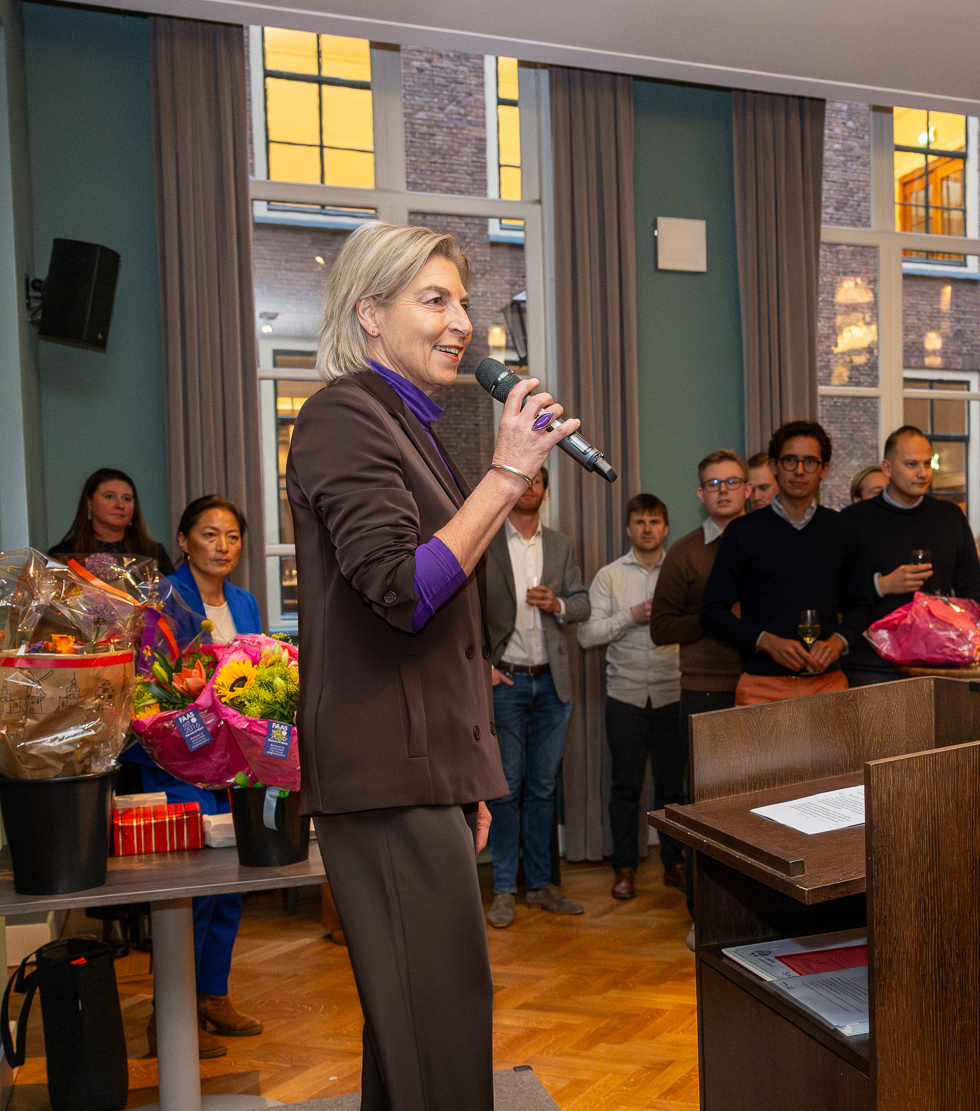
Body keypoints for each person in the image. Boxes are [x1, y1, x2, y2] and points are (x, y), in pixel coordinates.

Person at [286, 221, 576, 1108]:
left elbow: (452, 628)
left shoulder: (410, 425)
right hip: (383, 773)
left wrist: (464, 776)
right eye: (436, 299)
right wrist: (507, 471)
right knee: (441, 1025)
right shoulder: (344, 414)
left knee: (413, 1028)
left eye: (464, 302)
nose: (462, 322)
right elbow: (402, 591)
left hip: (422, 771)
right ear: (370, 313)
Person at [136, 496, 262, 1058]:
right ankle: (170, 1014)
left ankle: (212, 996)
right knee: (187, 889)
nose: (223, 545)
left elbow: (258, 671)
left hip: (234, 758)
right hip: (177, 758)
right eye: (210, 534)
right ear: (184, 540)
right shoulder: (160, 599)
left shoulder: (246, 602)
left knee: (228, 882)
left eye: (232, 536)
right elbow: (146, 682)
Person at [481, 465, 590, 929]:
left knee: (544, 790)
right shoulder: (487, 543)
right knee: (505, 791)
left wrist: (558, 604)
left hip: (552, 684)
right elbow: (466, 611)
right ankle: (504, 889)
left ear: (545, 491)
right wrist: (480, 665)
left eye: (537, 482)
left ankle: (542, 886)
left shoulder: (562, 545)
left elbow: (583, 604)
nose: (529, 488)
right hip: (504, 681)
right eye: (522, 480)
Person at [701, 421, 873, 705]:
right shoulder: (742, 532)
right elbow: (711, 613)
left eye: (810, 462)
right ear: (774, 466)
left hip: (827, 683)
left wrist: (837, 642)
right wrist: (766, 641)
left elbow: (862, 604)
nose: (800, 470)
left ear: (824, 470)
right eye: (790, 460)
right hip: (761, 685)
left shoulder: (844, 529)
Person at [651, 450, 749, 945]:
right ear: (701, 495)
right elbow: (661, 626)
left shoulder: (768, 542)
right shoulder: (686, 552)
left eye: (733, 481)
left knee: (757, 802)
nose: (724, 490)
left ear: (748, 489)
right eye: (713, 484)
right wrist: (717, 617)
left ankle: (753, 911)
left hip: (765, 683)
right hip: (705, 687)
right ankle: (703, 913)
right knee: (707, 803)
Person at [581, 494, 685, 901]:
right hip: (624, 696)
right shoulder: (609, 576)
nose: (647, 528)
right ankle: (624, 866)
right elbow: (588, 635)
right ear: (628, 528)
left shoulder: (679, 571)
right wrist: (632, 616)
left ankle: (674, 863)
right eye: (639, 521)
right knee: (625, 787)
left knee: (672, 789)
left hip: (672, 693)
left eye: (655, 521)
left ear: (665, 528)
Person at [841, 425, 980, 686]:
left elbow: (973, 592)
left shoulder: (950, 517)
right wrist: (881, 585)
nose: (922, 473)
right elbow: (835, 594)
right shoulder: (854, 520)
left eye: (927, 463)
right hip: (872, 664)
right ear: (887, 468)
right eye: (911, 464)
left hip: (939, 663)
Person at [52, 467, 175, 573]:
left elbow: (172, 598)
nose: (120, 505)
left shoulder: (153, 552)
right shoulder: (64, 554)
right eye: (110, 496)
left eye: (127, 499)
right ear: (89, 503)